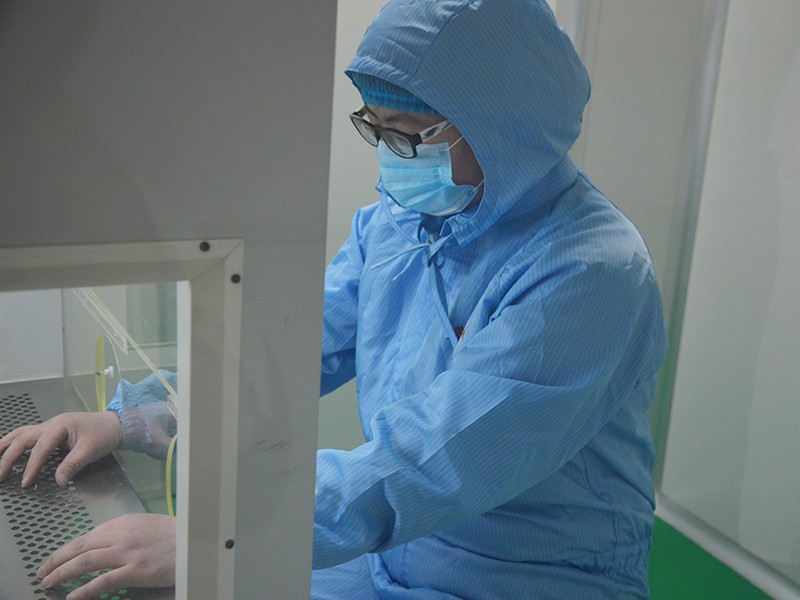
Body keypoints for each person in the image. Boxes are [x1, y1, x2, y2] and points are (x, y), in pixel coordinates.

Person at [0, 1, 668, 598]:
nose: (390, 158)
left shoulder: (590, 274)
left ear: (502, 128)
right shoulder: (402, 223)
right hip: (389, 555)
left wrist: (216, 533)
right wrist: (133, 419)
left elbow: (437, 461)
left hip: (528, 578)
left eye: (407, 134)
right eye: (374, 128)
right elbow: (289, 358)